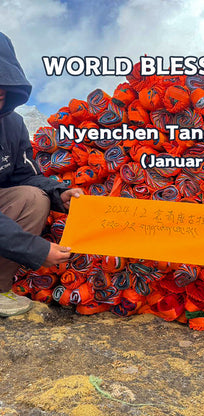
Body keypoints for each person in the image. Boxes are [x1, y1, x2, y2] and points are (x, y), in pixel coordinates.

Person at [0, 32, 83, 317]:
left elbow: (25, 175)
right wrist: (34, 249)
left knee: (34, 197)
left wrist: (61, 193)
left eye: (2, 87)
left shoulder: (12, 124)